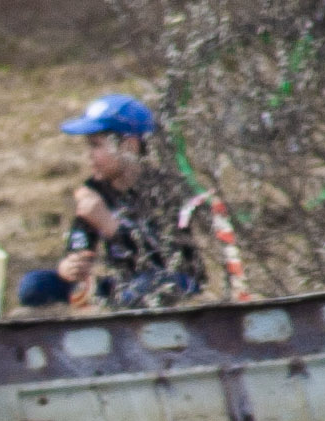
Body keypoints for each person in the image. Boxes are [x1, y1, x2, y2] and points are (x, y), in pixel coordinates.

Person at [18, 93, 204, 310]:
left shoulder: (166, 190)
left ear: (129, 146)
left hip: (169, 282)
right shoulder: (96, 191)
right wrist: (69, 267)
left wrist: (109, 225)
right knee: (33, 286)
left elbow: (167, 261)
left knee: (145, 288)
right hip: (123, 285)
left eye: (97, 146)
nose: (89, 156)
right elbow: (79, 249)